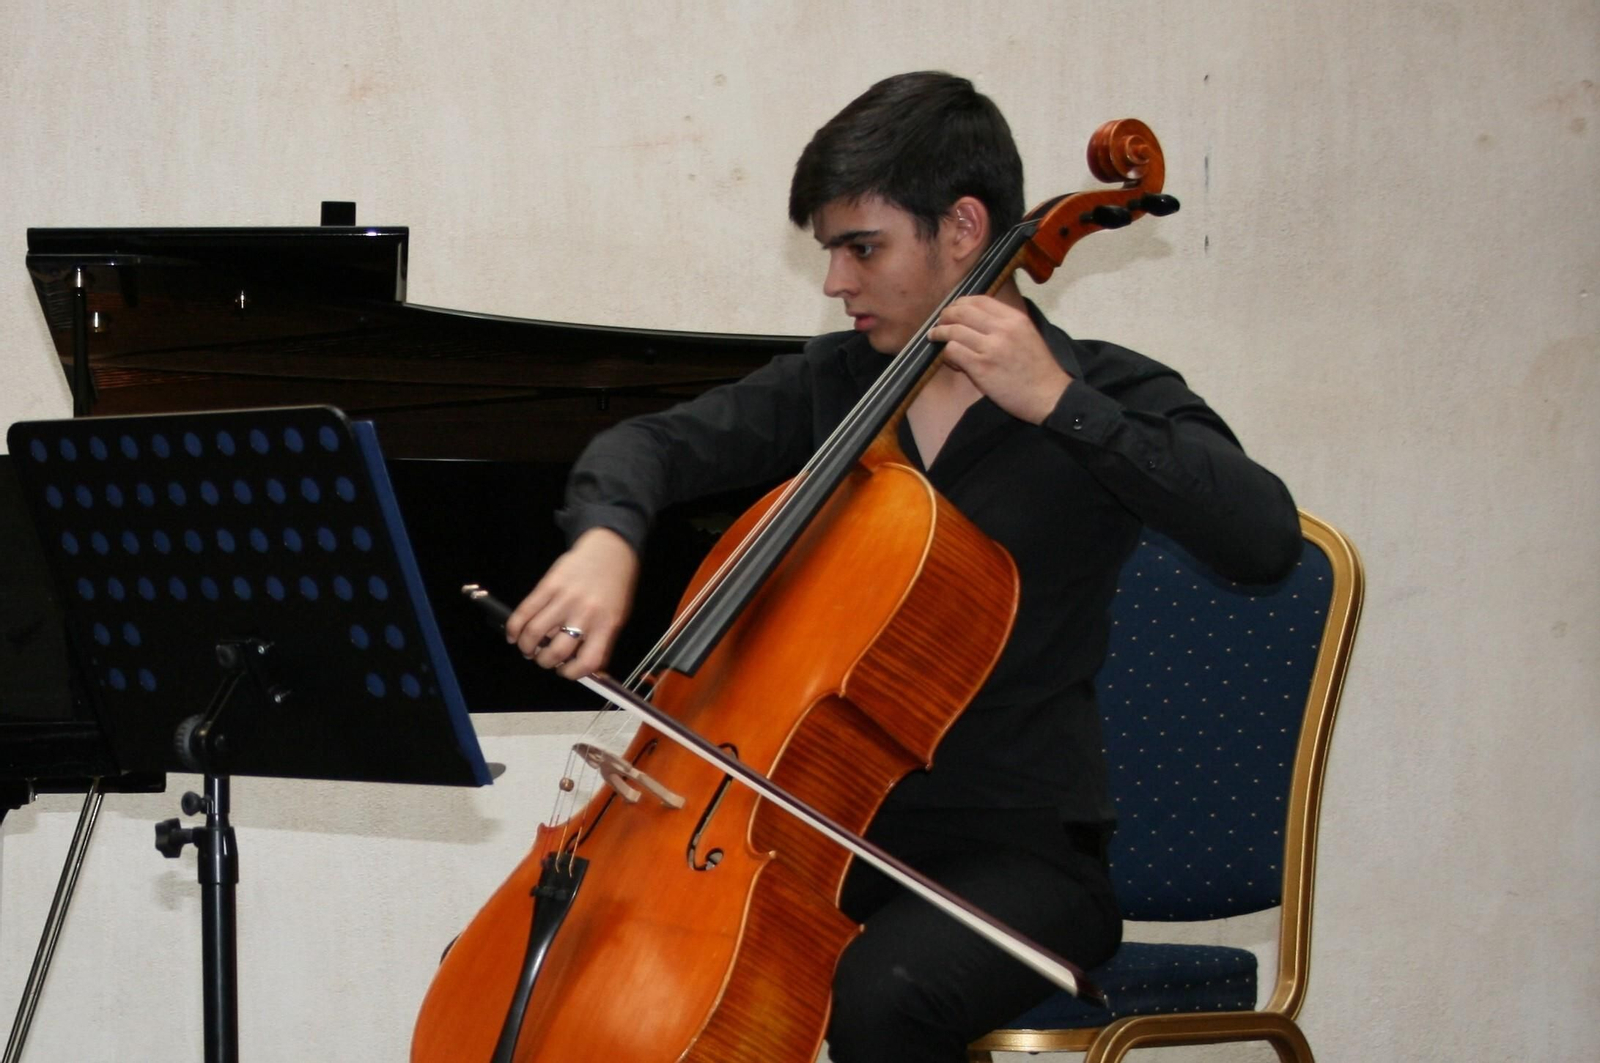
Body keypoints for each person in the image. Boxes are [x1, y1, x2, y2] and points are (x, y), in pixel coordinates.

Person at [506, 71, 1301, 1063]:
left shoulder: (1107, 392)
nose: (836, 281)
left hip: (1015, 858)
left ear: (964, 228)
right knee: (581, 965)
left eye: (861, 247)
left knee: (881, 991)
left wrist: (1061, 405)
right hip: (813, 838)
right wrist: (606, 538)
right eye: (830, 251)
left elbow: (1263, 539)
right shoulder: (834, 387)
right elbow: (652, 445)